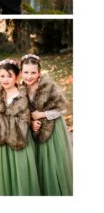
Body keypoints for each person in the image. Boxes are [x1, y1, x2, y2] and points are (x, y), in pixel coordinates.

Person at [0, 59, 41, 195]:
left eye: (9, 76)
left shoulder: (22, 95)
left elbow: (25, 118)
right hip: (2, 141)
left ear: (17, 76)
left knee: (21, 171)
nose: (5, 79)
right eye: (2, 76)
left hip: (19, 138)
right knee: (6, 172)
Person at [21, 54, 73, 195]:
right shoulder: (21, 89)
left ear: (39, 72)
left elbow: (62, 109)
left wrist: (42, 114)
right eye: (26, 72)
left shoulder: (48, 86)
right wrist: (31, 121)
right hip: (35, 130)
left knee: (52, 163)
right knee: (39, 164)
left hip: (52, 129)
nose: (29, 76)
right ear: (21, 72)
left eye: (33, 72)